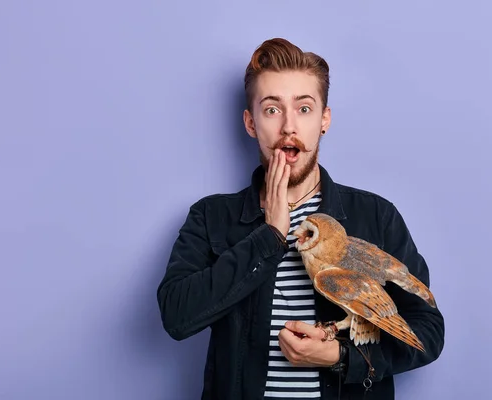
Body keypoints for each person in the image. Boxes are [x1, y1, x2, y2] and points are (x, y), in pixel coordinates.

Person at [157, 37, 445, 400]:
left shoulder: (375, 216)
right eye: (272, 110)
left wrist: (342, 356)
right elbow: (177, 317)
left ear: (324, 120)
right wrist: (270, 235)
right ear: (250, 123)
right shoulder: (211, 216)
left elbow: (428, 332)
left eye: (304, 109)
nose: (288, 127)